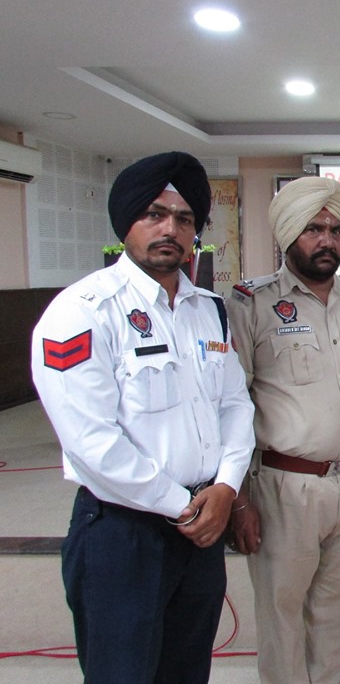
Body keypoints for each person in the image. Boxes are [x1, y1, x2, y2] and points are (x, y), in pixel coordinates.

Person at [31, 151, 256, 684]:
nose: (170, 229)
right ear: (126, 223)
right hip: (124, 533)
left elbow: (235, 404)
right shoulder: (83, 310)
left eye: (184, 218)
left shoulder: (209, 309)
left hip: (203, 522)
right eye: (154, 214)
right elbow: (91, 442)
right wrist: (183, 507)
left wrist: (226, 487)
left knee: (186, 671)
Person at [226, 176, 340, 684]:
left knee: (338, 607)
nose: (327, 240)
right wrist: (238, 499)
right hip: (286, 486)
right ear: (288, 234)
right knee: (281, 612)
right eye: (313, 229)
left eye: (336, 230)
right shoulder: (251, 303)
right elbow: (230, 403)